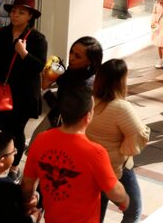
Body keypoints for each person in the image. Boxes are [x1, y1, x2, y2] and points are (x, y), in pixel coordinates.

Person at [22, 87, 130, 223]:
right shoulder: (95, 153)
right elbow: (115, 191)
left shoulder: (41, 139)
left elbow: (27, 185)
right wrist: (125, 200)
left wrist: (30, 202)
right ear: (88, 116)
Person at [0, 0, 48, 181]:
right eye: (14, 11)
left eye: (21, 12)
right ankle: (7, 158)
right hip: (1, 91)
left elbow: (39, 66)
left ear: (30, 16)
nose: (15, 15)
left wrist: (24, 53)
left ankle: (15, 165)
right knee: (3, 126)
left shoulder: (37, 39)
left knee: (16, 130)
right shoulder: (1, 33)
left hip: (23, 94)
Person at [86, 60, 150, 223]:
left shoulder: (90, 100)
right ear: (121, 81)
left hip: (92, 167)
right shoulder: (121, 107)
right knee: (133, 210)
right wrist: (124, 151)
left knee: (96, 212)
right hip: (117, 169)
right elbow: (139, 135)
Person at [40, 35, 103, 135]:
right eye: (71, 52)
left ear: (90, 62)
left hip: (67, 127)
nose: (71, 57)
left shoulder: (84, 86)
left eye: (77, 56)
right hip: (59, 120)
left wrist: (45, 89)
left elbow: (63, 108)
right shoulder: (75, 70)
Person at [0, 132, 35, 223]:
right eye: (13, 151)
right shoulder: (7, 187)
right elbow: (14, 218)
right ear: (1, 161)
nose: (15, 153)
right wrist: (33, 218)